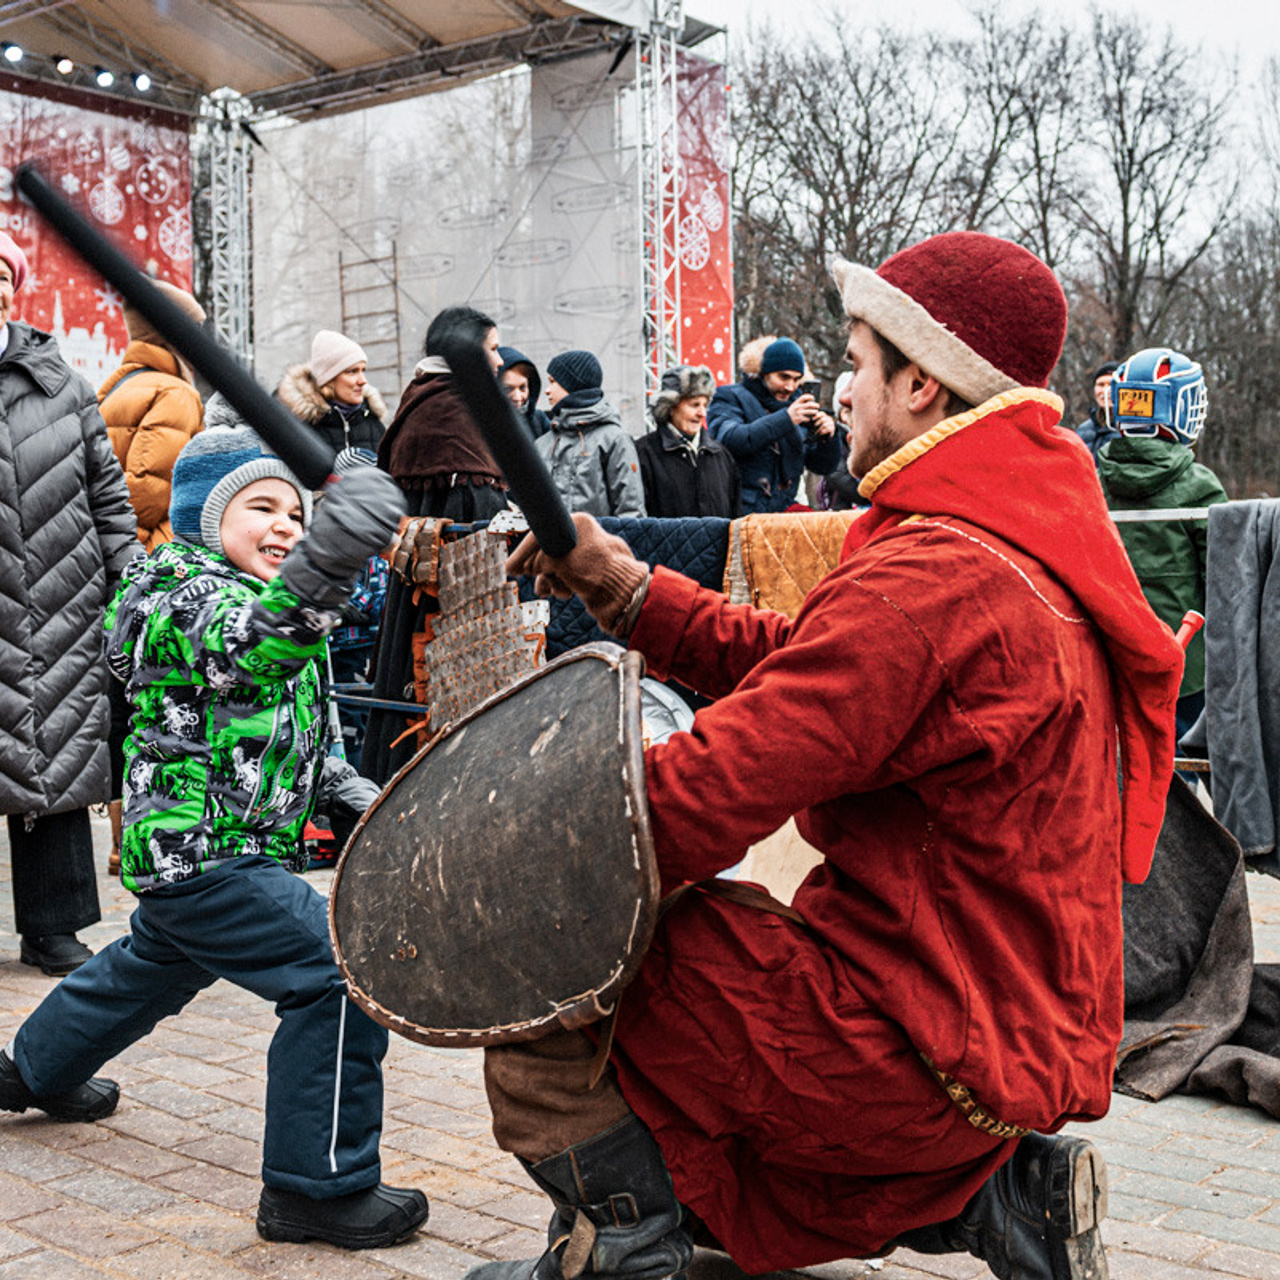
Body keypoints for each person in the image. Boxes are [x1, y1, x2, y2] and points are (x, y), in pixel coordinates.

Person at [484, 231, 1184, 1280]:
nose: (841, 392)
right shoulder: (1011, 537)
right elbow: (818, 667)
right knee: (719, 988)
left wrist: (531, 856)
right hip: (1002, 1035)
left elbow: (718, 782)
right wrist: (624, 586)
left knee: (550, 961)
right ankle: (998, 1190)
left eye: (854, 363)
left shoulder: (933, 578)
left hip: (921, 1048)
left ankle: (625, 1251)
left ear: (919, 381)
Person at [0, 427, 430, 1251]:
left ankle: (33, 1070)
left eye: (299, 516)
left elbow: (318, 734)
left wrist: (357, 795)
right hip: (200, 852)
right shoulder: (178, 594)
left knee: (150, 968)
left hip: (226, 854)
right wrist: (327, 562)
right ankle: (318, 1188)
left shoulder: (276, 603)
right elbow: (254, 647)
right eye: (261, 507)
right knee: (337, 974)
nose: (286, 527)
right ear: (204, 518)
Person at [0, 229, 140, 977]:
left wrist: (131, 579)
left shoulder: (65, 385)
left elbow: (109, 498)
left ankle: (55, 928)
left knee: (52, 764)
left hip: (59, 600)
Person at [364, 305, 509, 784]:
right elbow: (471, 509)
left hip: (426, 580)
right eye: (490, 350)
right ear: (464, 352)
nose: (499, 362)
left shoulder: (428, 398)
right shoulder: (452, 408)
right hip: (447, 590)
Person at [1099, 347, 1229, 742]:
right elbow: (1225, 581)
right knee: (1182, 761)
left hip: (1112, 654)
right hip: (1184, 663)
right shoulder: (1198, 484)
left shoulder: (1093, 477)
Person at [98, 279, 206, 551]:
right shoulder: (175, 393)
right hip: (153, 555)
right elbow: (148, 490)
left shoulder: (116, 387)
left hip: (107, 543)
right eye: (194, 329)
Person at [707, 336, 840, 512]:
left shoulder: (797, 406)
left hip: (784, 513)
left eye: (796, 379)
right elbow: (730, 439)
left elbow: (822, 467)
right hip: (739, 512)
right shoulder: (729, 396)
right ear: (763, 372)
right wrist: (787, 419)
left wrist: (828, 438)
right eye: (783, 377)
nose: (790, 387)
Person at [536, 349, 645, 518]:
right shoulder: (542, 444)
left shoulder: (614, 439)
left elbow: (630, 511)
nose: (547, 390)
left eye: (553, 381)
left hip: (599, 544)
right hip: (547, 545)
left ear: (572, 384)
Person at [636, 364, 740, 519]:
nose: (702, 413)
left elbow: (736, 515)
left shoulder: (721, 455)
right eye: (694, 405)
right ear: (670, 407)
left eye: (705, 405)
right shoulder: (644, 453)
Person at [277, 329, 388, 454]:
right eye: (352, 371)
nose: (363, 381)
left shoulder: (373, 423)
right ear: (328, 379)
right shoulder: (299, 428)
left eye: (363, 370)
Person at [498, 345, 551, 440]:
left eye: (522, 388)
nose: (518, 397)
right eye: (507, 389)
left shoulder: (539, 421)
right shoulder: (478, 426)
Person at [1073, 360, 1120, 462]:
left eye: (1112, 384)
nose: (1106, 390)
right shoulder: (1083, 429)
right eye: (1101, 384)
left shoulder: (1131, 428)